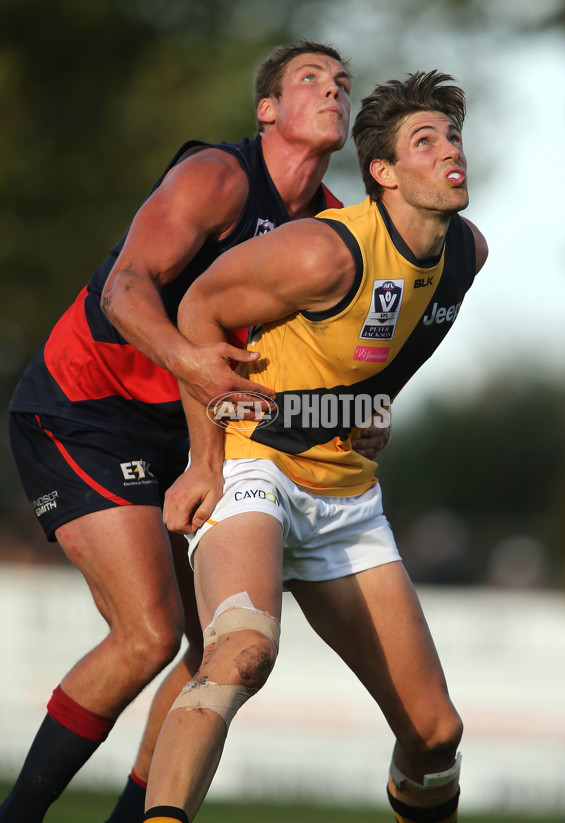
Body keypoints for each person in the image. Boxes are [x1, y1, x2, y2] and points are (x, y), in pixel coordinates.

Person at [3, 40, 388, 823]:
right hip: (86, 408)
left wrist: (356, 416)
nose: (333, 90)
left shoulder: (336, 230)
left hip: (187, 435)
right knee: (147, 632)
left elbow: (312, 382)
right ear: (268, 109)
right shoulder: (217, 177)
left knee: (211, 652)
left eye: (343, 83)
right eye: (309, 80)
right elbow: (124, 290)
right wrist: (199, 367)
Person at [142, 70, 488, 823]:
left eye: (453, 135)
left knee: (436, 734)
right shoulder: (323, 253)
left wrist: (377, 408)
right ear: (384, 174)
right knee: (240, 653)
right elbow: (197, 307)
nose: (450, 150)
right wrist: (203, 462)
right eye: (424, 141)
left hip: (347, 499)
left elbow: (385, 355)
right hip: (253, 466)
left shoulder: (465, 254)